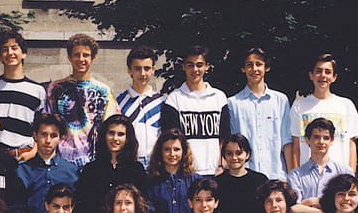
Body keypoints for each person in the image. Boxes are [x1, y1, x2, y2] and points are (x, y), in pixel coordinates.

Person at [45, 33, 119, 167]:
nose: (81, 59)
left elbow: (112, 126)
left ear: (93, 58)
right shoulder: (54, 88)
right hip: (61, 160)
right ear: (69, 57)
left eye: (86, 55)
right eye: (76, 55)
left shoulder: (104, 91)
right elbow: (46, 124)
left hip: (94, 161)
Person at [0, 30, 47, 162]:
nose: (10, 53)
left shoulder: (37, 91)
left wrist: (34, 152)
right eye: (4, 49)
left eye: (14, 48)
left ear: (23, 53)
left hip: (25, 158)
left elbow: (42, 127)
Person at [74, 114, 147, 213]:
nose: (115, 138)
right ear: (104, 135)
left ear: (127, 138)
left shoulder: (137, 170)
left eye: (121, 134)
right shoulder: (90, 170)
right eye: (111, 133)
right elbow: (83, 207)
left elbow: (142, 206)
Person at [161, 44, 229, 176]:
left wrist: (221, 165)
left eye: (199, 65)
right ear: (183, 66)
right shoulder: (174, 99)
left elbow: (224, 137)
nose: (195, 70)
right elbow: (171, 140)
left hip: (215, 171)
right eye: (190, 65)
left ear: (207, 66)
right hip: (186, 172)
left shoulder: (219, 97)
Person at [290, 53, 358, 170]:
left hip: (340, 175)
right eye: (318, 71)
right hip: (307, 175)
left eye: (328, 72)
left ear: (334, 77)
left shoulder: (346, 105)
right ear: (311, 75)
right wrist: (295, 176)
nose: (323, 75)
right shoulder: (299, 106)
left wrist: (351, 176)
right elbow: (295, 147)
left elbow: (351, 144)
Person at [228, 47, 293, 178]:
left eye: (259, 64)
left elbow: (287, 142)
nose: (254, 69)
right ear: (243, 69)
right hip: (246, 176)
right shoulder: (233, 103)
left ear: (266, 67)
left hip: (276, 175)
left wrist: (292, 176)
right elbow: (231, 145)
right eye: (249, 65)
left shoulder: (280, 100)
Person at [288, 118, 354, 213]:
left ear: (332, 141)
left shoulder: (344, 172)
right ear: (307, 140)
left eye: (326, 138)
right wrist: (331, 210)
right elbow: (294, 209)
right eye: (316, 137)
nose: (321, 142)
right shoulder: (295, 175)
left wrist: (310, 203)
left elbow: (349, 204)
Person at [16, 113, 79, 213]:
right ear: (35, 135)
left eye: (53, 135)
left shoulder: (71, 172)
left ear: (60, 138)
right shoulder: (22, 171)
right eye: (43, 134)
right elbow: (16, 212)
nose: (48, 140)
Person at [145, 129, 201, 213]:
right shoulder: (150, 182)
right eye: (167, 149)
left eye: (176, 149)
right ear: (160, 152)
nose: (172, 154)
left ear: (184, 151)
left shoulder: (195, 180)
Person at [116, 45, 165, 168]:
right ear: (129, 70)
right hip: (128, 163)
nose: (142, 73)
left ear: (153, 70)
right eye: (137, 68)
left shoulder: (162, 102)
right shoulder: (117, 101)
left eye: (147, 68)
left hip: (156, 163)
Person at [213, 134, 268, 213]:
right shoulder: (217, 183)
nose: (234, 157)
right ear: (224, 156)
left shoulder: (260, 180)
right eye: (229, 153)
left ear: (247, 154)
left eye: (239, 153)